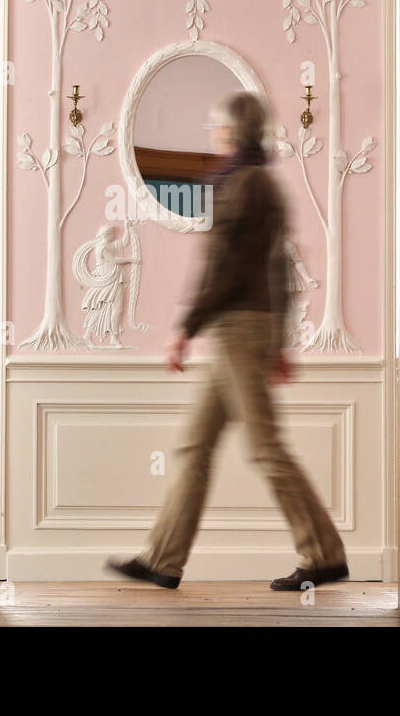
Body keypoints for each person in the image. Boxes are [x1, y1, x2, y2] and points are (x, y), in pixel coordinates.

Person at [106, 91, 349, 591]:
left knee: (264, 447)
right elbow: (278, 268)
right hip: (243, 329)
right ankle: (162, 559)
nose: (213, 135)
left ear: (234, 131)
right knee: (195, 444)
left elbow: (228, 268)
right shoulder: (260, 183)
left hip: (237, 328)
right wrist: (279, 341)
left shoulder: (242, 184)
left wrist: (186, 327)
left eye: (217, 127)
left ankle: (324, 554)